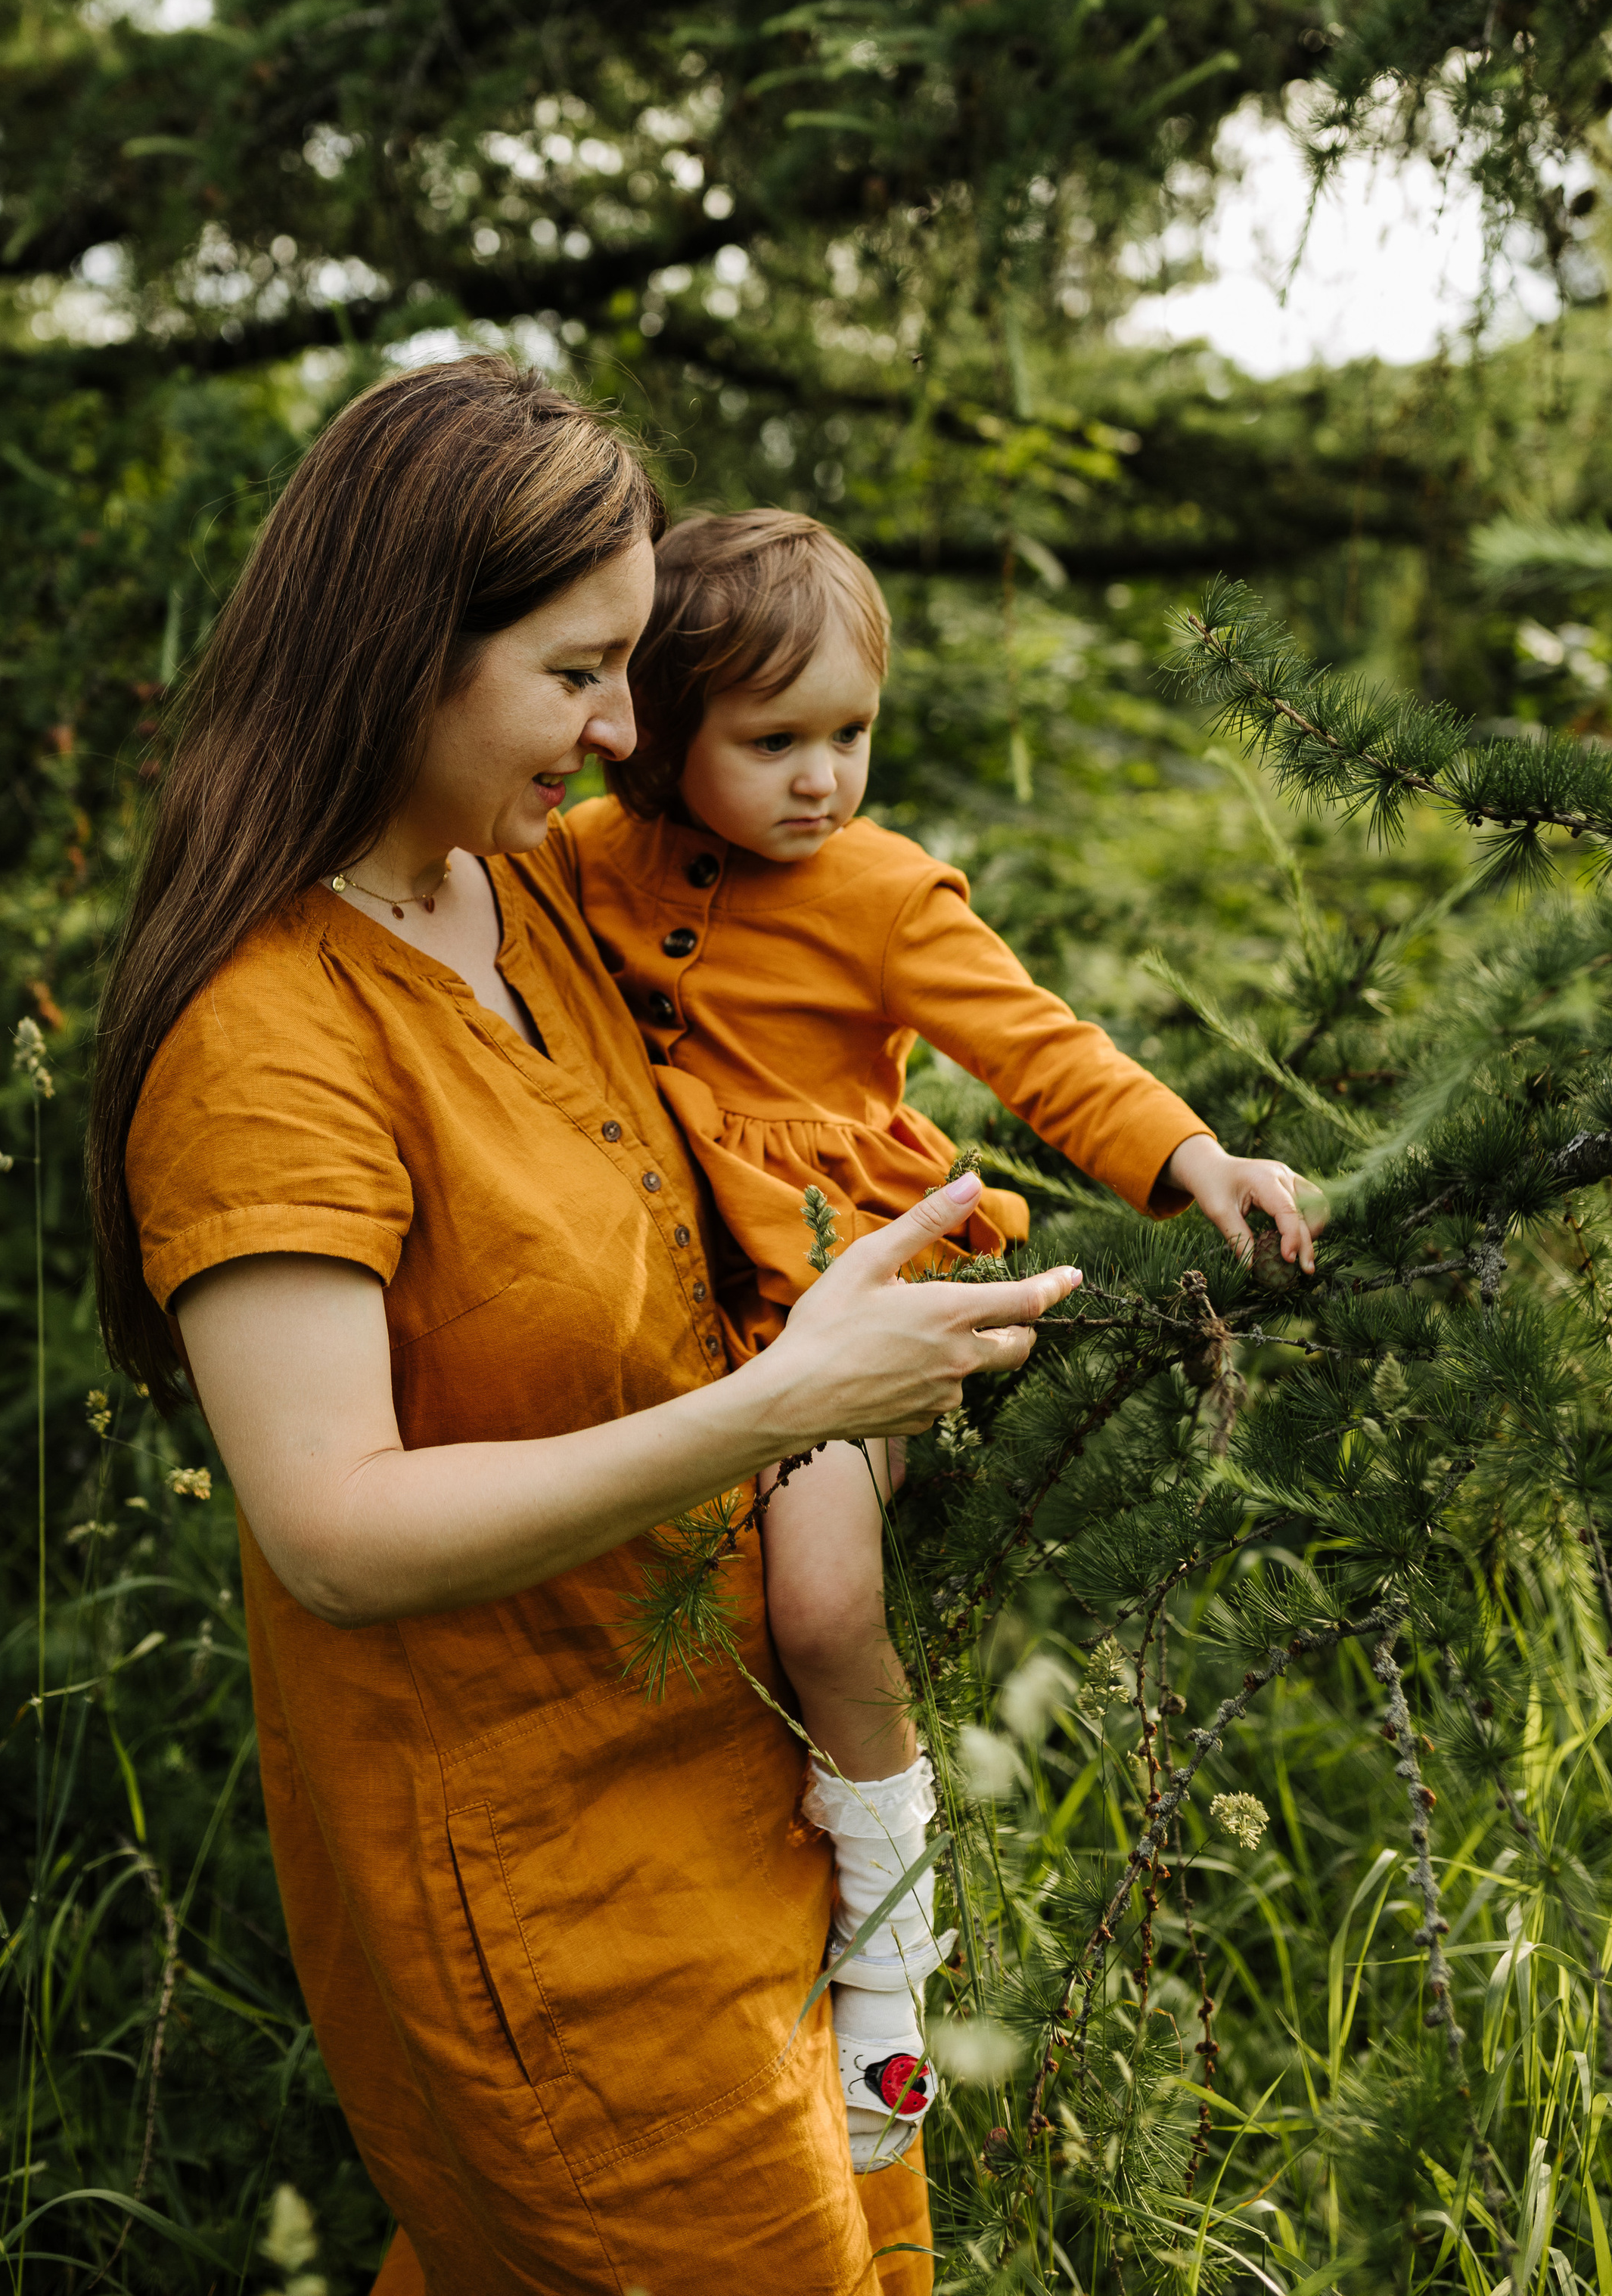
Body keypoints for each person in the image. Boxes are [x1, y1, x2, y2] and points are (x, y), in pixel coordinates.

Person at [87, 359, 1085, 2296]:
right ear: (401, 652)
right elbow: (331, 1532)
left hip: (744, 1810)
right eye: (575, 675)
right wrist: (787, 1402)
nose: (626, 732)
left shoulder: (519, 887)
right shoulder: (267, 1038)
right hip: (548, 1909)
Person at [546, 507, 1316, 2168]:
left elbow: (1039, 1047)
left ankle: (892, 1938)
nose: (823, 777)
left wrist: (1193, 1157)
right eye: (773, 742)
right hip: (663, 1270)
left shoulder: (882, 893)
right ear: (656, 736)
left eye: (850, 733)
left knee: (820, 1597)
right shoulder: (581, 858)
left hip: (842, 1278)